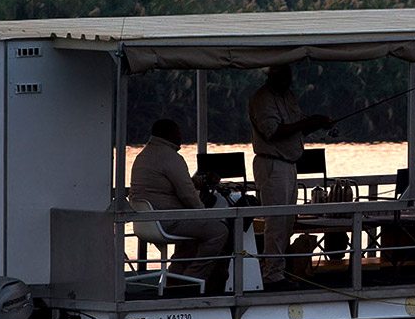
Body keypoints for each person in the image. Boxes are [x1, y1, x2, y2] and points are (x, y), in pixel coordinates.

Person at [248, 63, 332, 286]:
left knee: (287, 221)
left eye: (289, 75)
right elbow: (273, 132)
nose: (288, 79)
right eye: (284, 74)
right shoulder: (263, 99)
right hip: (272, 164)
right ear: (273, 75)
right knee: (276, 222)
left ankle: (280, 270)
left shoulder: (288, 96)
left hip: (290, 164)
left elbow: (298, 128)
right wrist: (309, 121)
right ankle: (271, 274)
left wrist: (317, 123)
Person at [128, 119, 230, 283]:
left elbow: (168, 185)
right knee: (218, 231)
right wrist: (205, 213)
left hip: (147, 221)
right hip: (167, 220)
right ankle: (193, 278)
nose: (181, 137)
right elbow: (188, 196)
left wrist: (196, 182)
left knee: (194, 235)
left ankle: (175, 276)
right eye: (178, 133)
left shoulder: (143, 155)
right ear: (169, 134)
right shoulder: (171, 157)